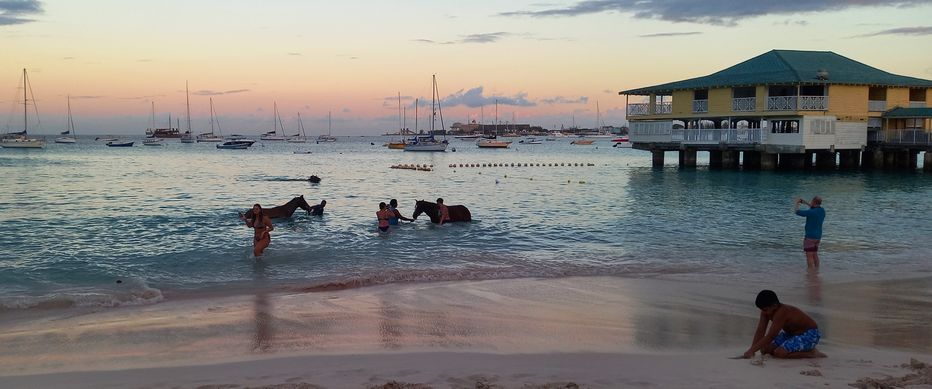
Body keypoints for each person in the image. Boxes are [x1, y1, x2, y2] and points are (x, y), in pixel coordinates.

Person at [742, 290, 825, 359]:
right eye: (762, 310)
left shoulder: (782, 312)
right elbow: (760, 330)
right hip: (791, 334)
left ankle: (812, 353)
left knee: (780, 353)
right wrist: (752, 350)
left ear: (774, 305)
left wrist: (751, 351)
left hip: (810, 334)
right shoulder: (765, 312)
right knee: (764, 349)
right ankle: (800, 349)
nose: (764, 312)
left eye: (765, 310)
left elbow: (771, 336)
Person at [794, 196, 825, 268]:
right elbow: (813, 207)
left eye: (811, 201)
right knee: (815, 254)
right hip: (818, 237)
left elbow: (796, 211)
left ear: (814, 202)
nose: (810, 202)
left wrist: (797, 203)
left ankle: (810, 273)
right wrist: (804, 202)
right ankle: (817, 270)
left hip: (810, 237)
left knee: (809, 256)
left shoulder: (811, 212)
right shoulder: (822, 210)